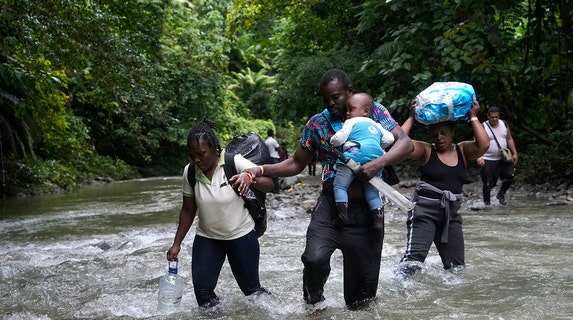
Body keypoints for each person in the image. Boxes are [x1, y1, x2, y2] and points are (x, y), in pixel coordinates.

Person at [241, 69, 413, 310]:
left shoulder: (372, 110)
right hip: (331, 204)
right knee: (314, 258)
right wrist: (259, 170)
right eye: (326, 99)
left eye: (336, 97)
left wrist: (377, 164)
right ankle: (315, 305)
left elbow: (405, 143)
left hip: (367, 210)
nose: (331, 103)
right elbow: (295, 163)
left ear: (349, 92)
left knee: (360, 300)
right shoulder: (317, 123)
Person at [166, 121, 274, 310]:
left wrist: (249, 177)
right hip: (207, 238)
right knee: (203, 292)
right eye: (192, 156)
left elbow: (270, 183)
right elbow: (188, 210)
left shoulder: (234, 161)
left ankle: (277, 311)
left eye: (201, 154)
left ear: (214, 148)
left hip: (241, 235)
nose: (197, 160)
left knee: (252, 291)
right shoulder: (190, 172)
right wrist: (177, 243)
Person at [397, 100, 489, 277]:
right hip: (424, 212)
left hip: (450, 215)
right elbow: (400, 144)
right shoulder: (426, 150)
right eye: (435, 133)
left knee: (457, 268)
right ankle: (398, 289)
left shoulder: (462, 150)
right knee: (413, 260)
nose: (439, 137)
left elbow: (483, 145)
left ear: (453, 133)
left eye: (444, 133)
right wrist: (411, 117)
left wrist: (473, 117)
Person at [330, 92, 395, 238]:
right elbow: (389, 139)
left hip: (354, 154)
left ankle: (342, 215)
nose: (347, 113)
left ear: (365, 111)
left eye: (350, 109)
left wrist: (332, 141)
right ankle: (378, 221)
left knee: (340, 186)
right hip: (375, 159)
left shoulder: (351, 122)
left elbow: (339, 139)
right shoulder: (376, 124)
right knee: (372, 193)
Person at [476, 106, 518, 205]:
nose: (494, 119)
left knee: (510, 176)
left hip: (503, 158)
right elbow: (476, 142)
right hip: (487, 159)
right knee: (488, 184)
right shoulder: (483, 126)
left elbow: (509, 139)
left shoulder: (504, 124)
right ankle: (487, 204)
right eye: (492, 117)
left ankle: (501, 194)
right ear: (488, 116)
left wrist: (515, 153)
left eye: (496, 117)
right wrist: (478, 156)